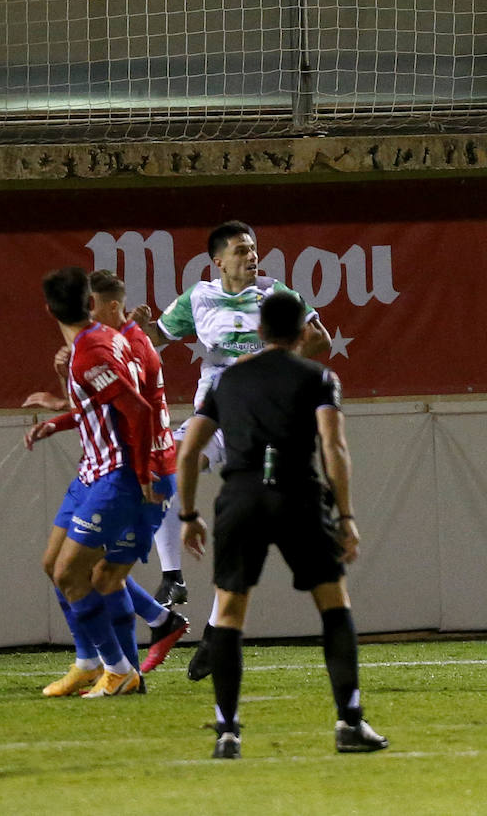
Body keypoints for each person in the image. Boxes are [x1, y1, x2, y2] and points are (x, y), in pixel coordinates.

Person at [175, 290, 387, 758]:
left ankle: (228, 732)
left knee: (229, 613)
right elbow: (334, 447)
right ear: (301, 332)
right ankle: (349, 722)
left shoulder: (226, 382)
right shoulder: (319, 376)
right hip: (297, 493)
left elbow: (188, 451)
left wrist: (188, 514)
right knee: (333, 605)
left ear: (260, 330)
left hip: (242, 495)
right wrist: (347, 516)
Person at [132, 220, 329, 678]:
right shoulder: (197, 298)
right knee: (164, 474)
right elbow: (156, 341)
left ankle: (216, 629)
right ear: (217, 260)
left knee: (247, 533)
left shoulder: (276, 295)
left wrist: (265, 359)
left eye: (254, 248)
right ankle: (172, 577)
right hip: (215, 412)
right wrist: (139, 331)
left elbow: (319, 339)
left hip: (259, 424)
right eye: (241, 250)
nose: (251, 256)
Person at [24, 271, 191, 679]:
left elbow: (135, 410)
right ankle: (107, 655)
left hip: (131, 468)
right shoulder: (104, 341)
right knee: (67, 568)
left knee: (100, 575)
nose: (93, 311)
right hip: (99, 467)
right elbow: (102, 403)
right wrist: (62, 412)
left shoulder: (120, 344)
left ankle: (121, 669)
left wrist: (147, 472)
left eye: (97, 303)